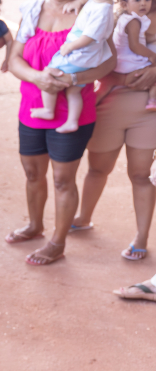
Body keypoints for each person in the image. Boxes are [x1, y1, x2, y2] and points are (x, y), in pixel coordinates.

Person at [5, 0, 115, 264]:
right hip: (33, 107)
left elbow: (109, 62)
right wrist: (37, 78)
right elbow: (14, 60)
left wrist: (74, 80)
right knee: (33, 173)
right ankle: (34, 226)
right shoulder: (33, 10)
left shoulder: (92, 10)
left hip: (72, 114)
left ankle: (57, 243)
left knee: (62, 180)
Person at [71, 0, 156, 261]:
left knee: (142, 175)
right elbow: (101, 63)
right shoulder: (113, 16)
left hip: (149, 109)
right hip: (111, 101)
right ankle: (83, 218)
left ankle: (141, 237)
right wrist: (125, 79)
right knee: (97, 168)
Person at [31, 0, 114, 133]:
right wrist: (78, 3)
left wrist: (70, 46)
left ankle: (48, 110)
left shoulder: (102, 10)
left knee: (49, 73)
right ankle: (72, 121)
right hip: (83, 56)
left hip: (79, 54)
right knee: (74, 91)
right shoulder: (97, 3)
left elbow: (90, 36)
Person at [110, 0, 156, 110]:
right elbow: (134, 46)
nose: (143, 3)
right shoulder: (133, 21)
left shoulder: (127, 17)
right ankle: (152, 100)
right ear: (124, 4)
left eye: (147, 0)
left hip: (120, 63)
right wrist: (152, 55)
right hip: (129, 64)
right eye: (137, 0)